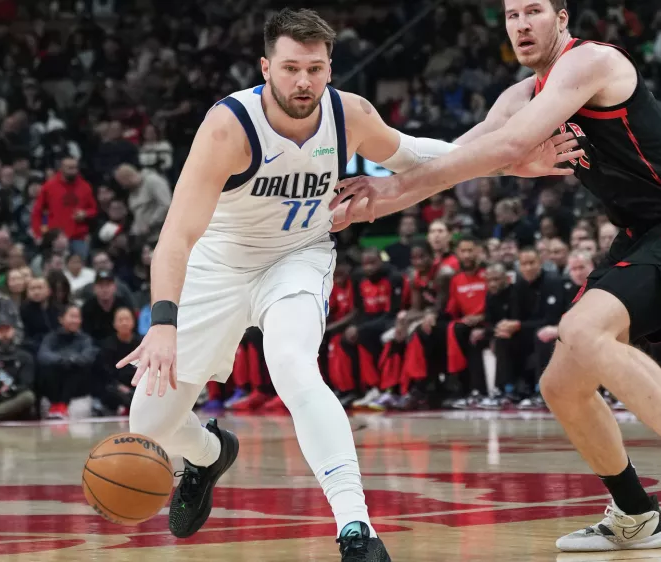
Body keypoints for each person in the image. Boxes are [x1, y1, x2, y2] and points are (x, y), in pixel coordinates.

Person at [115, 8, 577, 561]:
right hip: (219, 266)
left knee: (293, 367)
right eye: (290, 68)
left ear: (330, 67)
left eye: (314, 68)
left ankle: (355, 527)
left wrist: (509, 162)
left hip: (298, 258)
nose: (303, 81)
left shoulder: (348, 113)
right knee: (149, 423)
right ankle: (209, 452)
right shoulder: (228, 127)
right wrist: (162, 325)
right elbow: (174, 238)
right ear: (266, 68)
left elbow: (415, 154)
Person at [332, 0, 661, 552]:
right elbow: (453, 155)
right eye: (511, 15)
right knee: (561, 384)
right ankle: (636, 513)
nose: (520, 25)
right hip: (640, 235)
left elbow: (507, 149)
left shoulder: (591, 64)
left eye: (533, 11)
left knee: (584, 332)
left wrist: (403, 188)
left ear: (562, 18)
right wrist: (379, 199)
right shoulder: (519, 95)